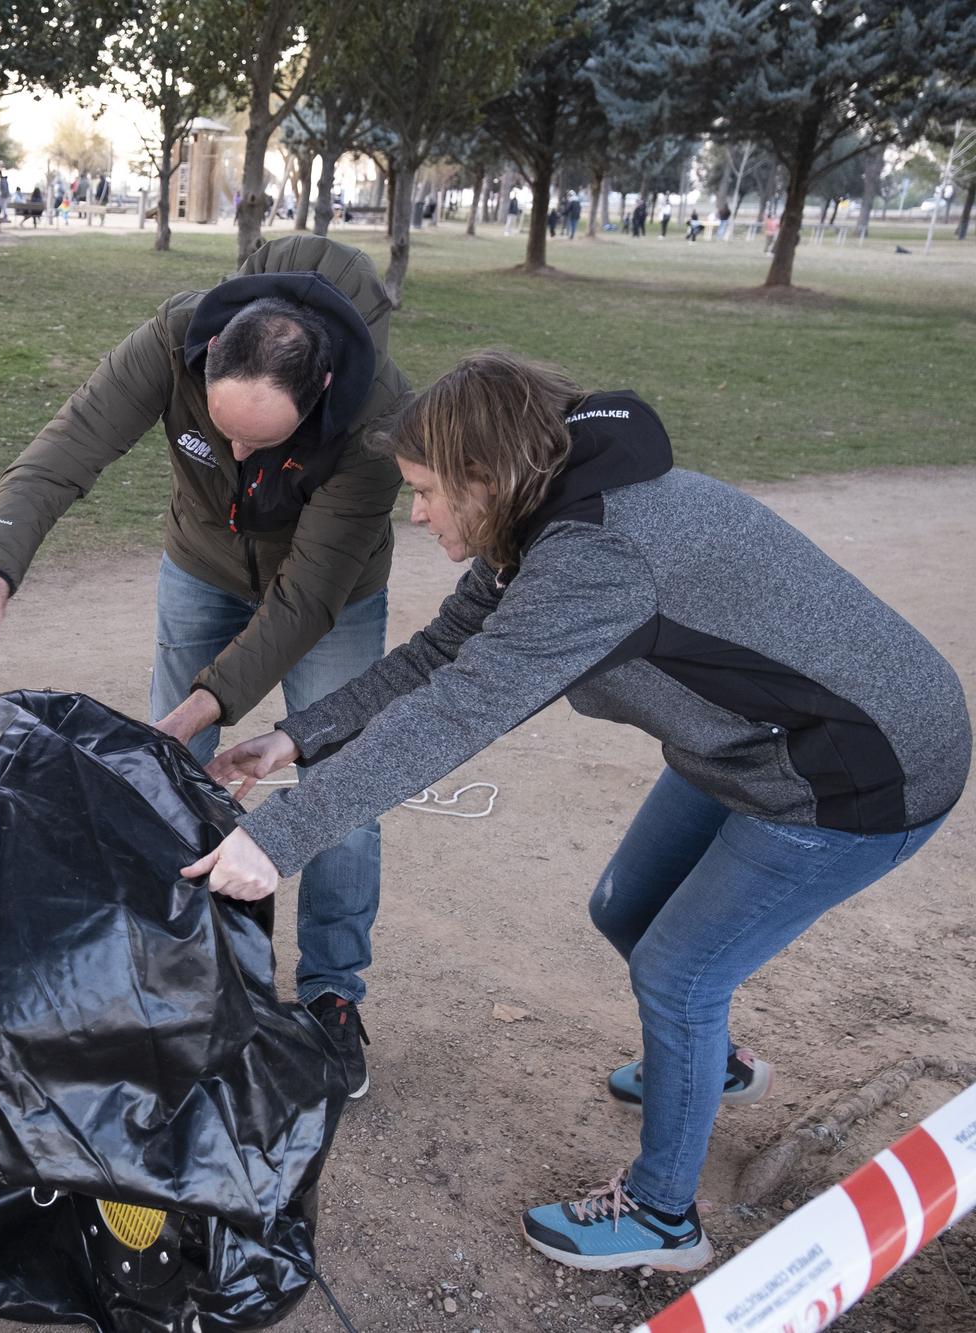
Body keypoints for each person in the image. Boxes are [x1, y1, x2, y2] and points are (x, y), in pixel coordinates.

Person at [189, 349, 967, 1273]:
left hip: (858, 772)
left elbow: (459, 710)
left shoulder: (595, 555)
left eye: (427, 491)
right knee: (623, 906)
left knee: (679, 974)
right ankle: (708, 1065)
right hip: (756, 745)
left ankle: (664, 1216)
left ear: (484, 475)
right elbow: (443, 653)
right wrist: (294, 738)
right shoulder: (544, 516)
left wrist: (278, 838)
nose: (418, 512)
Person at [0, 236, 412, 1097]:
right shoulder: (173, 337)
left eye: (264, 442)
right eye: (224, 432)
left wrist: (194, 709)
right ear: (209, 355)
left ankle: (332, 994)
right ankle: (167, 967)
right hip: (201, 564)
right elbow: (60, 456)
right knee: (166, 774)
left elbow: (304, 600)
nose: (241, 458)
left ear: (325, 390)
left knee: (340, 779)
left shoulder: (377, 415)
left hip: (332, 592)